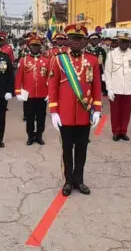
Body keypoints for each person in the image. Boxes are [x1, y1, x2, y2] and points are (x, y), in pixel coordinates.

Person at [48, 24, 102, 196]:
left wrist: (98, 109)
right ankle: (68, 181)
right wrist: (54, 111)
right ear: (68, 40)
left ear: (85, 41)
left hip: (85, 113)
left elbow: (96, 86)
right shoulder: (59, 59)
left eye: (79, 39)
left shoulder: (92, 60)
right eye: (73, 39)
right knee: (66, 149)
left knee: (82, 149)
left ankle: (79, 180)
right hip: (65, 114)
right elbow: (53, 85)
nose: (76, 42)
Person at [15, 34, 49, 145]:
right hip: (28, 95)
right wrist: (18, 92)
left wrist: (50, 93)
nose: (35, 47)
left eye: (37, 45)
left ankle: (39, 135)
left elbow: (50, 78)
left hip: (42, 94)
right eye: (33, 45)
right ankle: (30, 136)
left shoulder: (46, 60)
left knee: (41, 117)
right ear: (29, 47)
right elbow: (19, 77)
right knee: (29, 117)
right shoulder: (24, 60)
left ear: (40, 47)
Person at [104, 32, 131, 141]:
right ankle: (116, 131)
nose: (124, 44)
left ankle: (123, 131)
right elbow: (107, 73)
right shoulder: (111, 54)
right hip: (115, 88)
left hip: (128, 89)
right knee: (115, 112)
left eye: (126, 42)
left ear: (129, 43)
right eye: (122, 41)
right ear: (118, 42)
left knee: (126, 112)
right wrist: (109, 89)